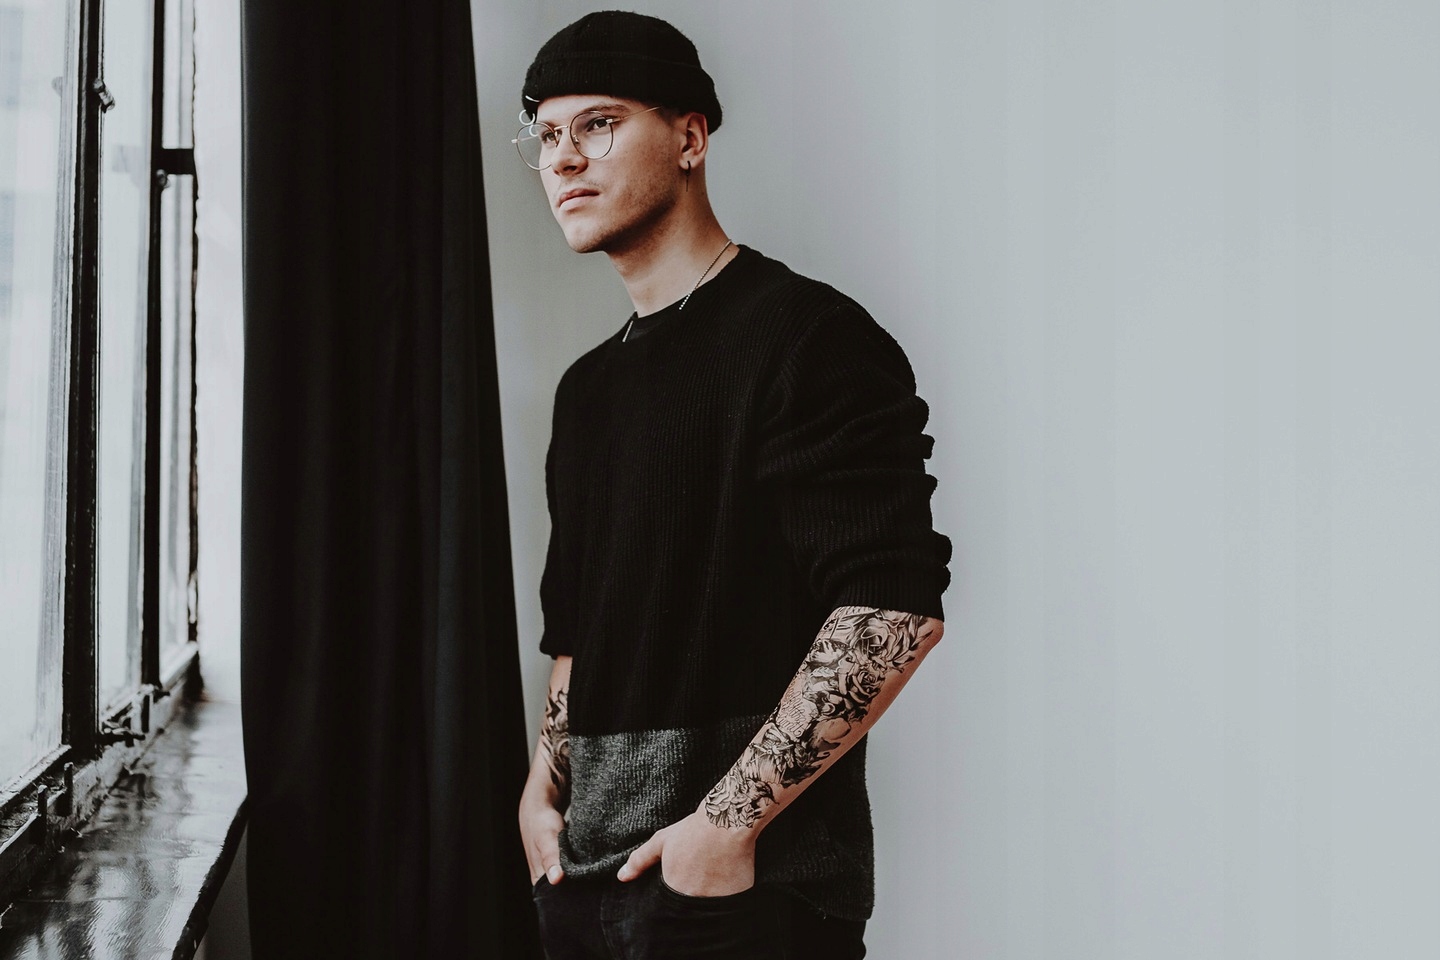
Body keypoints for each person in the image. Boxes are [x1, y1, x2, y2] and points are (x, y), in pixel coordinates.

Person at [513, 11, 953, 959]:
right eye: (546, 135)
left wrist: (723, 830)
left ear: (689, 137)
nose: (564, 159)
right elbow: (580, 630)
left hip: (740, 897)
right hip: (583, 883)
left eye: (598, 124)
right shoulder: (588, 391)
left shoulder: (808, 339)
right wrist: (542, 790)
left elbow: (892, 607)